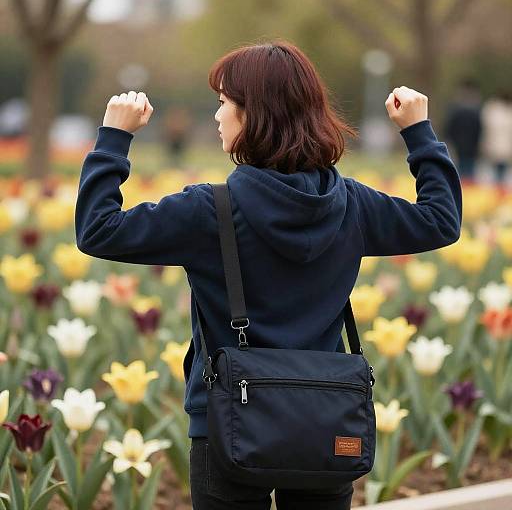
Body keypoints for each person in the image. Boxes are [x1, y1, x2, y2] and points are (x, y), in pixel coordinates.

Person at [75, 40, 462, 509]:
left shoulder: (208, 211)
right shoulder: (353, 206)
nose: (217, 116)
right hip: (326, 417)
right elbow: (441, 220)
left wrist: (115, 136)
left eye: (223, 103)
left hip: (227, 422)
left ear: (252, 114)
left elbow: (98, 229)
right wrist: (418, 132)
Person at [443, 77, 482, 183]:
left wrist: (449, 143)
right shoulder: (476, 110)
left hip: (458, 147)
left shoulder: (455, 109)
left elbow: (449, 129)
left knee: (458, 175)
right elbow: (479, 130)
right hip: (471, 148)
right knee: (469, 175)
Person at [480, 89, 512, 186]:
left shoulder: (491, 110)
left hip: (493, 148)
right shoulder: (508, 112)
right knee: (501, 174)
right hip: (505, 149)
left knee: (494, 175)